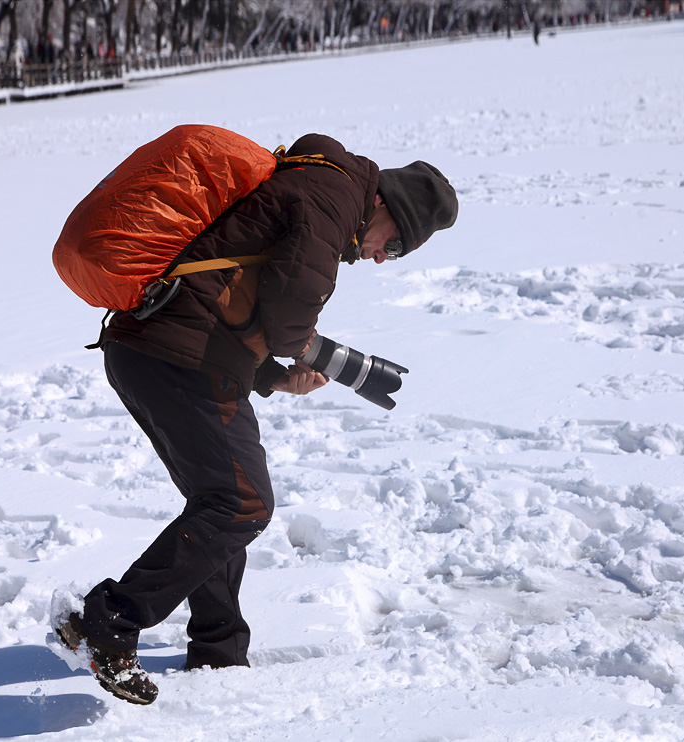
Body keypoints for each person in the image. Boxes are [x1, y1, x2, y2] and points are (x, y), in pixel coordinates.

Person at [55, 132, 458, 705]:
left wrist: (271, 375)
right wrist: (326, 359)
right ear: (388, 209)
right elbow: (291, 317)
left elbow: (228, 294)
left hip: (151, 349)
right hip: (176, 358)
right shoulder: (332, 195)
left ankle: (219, 651)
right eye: (393, 247)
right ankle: (108, 620)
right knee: (240, 504)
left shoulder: (317, 185)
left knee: (221, 499)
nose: (378, 258)